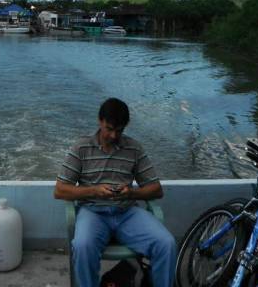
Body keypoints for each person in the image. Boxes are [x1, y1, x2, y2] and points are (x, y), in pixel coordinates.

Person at [54, 98, 177, 287]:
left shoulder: (134, 148)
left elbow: (156, 190)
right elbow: (60, 190)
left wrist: (131, 193)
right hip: (92, 213)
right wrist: (94, 191)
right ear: (99, 120)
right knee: (82, 246)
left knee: (166, 243)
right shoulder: (81, 148)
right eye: (109, 129)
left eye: (119, 130)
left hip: (127, 212)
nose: (113, 135)